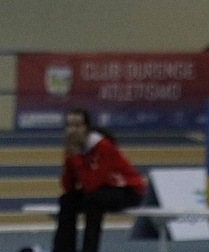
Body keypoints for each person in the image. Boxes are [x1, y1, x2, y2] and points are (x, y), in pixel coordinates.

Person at [55, 108, 143, 252]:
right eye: (69, 125)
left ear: (86, 128)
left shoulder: (102, 146)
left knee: (93, 200)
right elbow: (68, 186)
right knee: (67, 200)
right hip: (100, 190)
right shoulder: (73, 148)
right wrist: (70, 157)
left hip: (127, 190)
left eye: (77, 125)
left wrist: (76, 157)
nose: (73, 130)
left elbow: (92, 185)